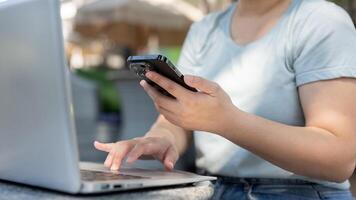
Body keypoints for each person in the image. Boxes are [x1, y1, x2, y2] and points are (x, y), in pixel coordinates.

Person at [94, 0, 356, 199]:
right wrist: (162, 137)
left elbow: (339, 159)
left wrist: (227, 122)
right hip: (211, 188)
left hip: (300, 191)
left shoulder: (320, 21)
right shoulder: (204, 30)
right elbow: (176, 123)